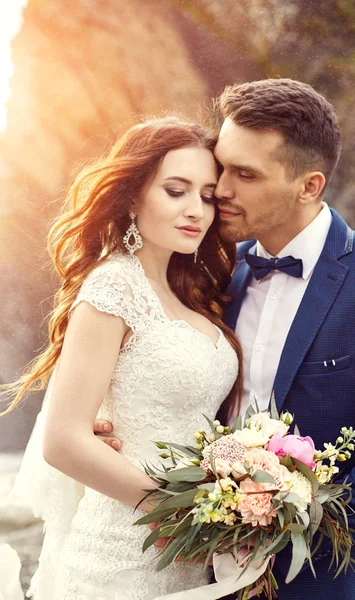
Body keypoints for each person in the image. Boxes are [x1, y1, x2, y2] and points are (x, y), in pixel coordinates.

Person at [97, 79, 355, 600]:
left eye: (246, 174)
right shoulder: (211, 270)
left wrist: (284, 525)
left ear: (309, 186)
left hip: (330, 580)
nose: (221, 190)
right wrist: (113, 420)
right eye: (223, 166)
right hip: (198, 572)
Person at [2, 116, 242, 599]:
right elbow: (65, 441)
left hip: (190, 555)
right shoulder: (113, 285)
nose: (196, 209)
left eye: (208, 195)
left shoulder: (195, 295)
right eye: (176, 190)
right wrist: (181, 519)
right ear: (133, 197)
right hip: (124, 550)